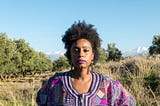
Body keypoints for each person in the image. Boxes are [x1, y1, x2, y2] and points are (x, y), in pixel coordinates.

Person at [36, 21, 136, 106]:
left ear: (93, 55)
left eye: (86, 50)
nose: (81, 54)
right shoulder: (56, 82)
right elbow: (41, 100)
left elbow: (129, 102)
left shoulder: (107, 85)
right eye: (76, 50)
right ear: (69, 54)